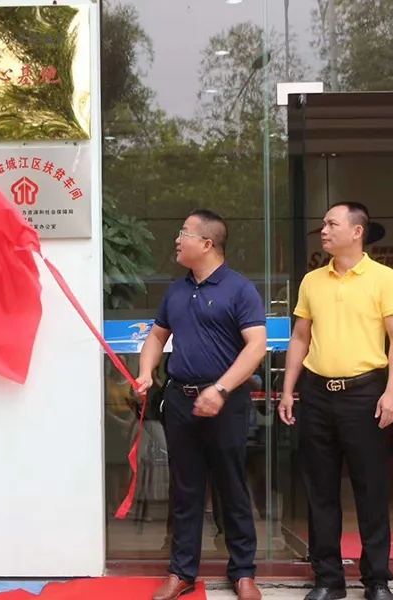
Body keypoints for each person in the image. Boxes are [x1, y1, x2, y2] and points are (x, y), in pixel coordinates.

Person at [135, 209, 267, 600]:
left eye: (184, 233)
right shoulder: (176, 291)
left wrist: (221, 389)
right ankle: (181, 572)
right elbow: (157, 336)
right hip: (180, 400)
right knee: (185, 489)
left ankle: (243, 572)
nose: (177, 240)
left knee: (232, 487)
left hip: (225, 403)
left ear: (207, 244)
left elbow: (256, 347)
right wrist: (146, 371)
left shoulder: (240, 289)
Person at [279, 202, 393, 600]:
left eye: (331, 224)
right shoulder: (312, 281)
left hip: (365, 394)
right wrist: (288, 389)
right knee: (320, 491)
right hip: (317, 395)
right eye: (323, 224)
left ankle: (377, 580)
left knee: (371, 489)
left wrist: (392, 392)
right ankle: (328, 580)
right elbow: (300, 337)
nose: (323, 230)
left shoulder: (385, 278)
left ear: (356, 231)